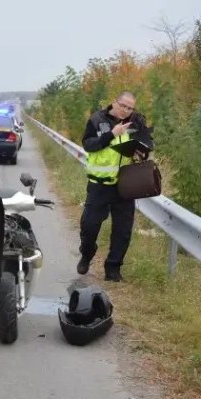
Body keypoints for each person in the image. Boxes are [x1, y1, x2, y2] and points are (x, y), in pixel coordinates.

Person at [77, 91, 154, 282]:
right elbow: (88, 145)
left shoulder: (136, 122)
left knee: (123, 230)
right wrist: (111, 135)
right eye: (123, 106)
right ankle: (87, 253)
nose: (126, 111)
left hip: (125, 184)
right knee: (89, 226)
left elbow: (147, 143)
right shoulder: (97, 119)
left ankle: (113, 268)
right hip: (99, 183)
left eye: (130, 108)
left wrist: (141, 153)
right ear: (115, 102)